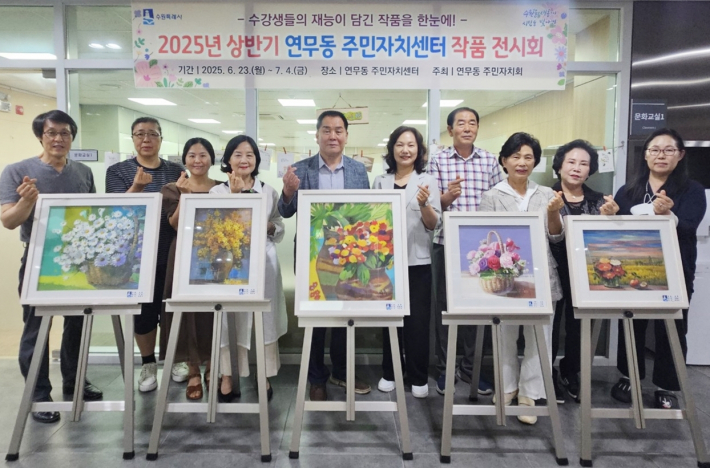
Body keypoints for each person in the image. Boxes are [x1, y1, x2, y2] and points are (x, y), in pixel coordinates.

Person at [0, 110, 103, 423]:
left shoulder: (83, 172)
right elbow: (8, 221)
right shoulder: (17, 171)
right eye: (52, 133)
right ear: (40, 136)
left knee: (78, 324)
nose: (59, 139)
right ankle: (39, 394)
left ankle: (74, 380)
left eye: (65, 133)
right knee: (37, 327)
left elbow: (91, 214)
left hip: (78, 260)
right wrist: (26, 202)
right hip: (38, 259)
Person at [278, 110, 371, 401]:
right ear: (317, 135)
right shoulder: (300, 169)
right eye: (327, 130)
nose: (333, 136)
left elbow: (365, 213)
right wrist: (288, 192)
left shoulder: (358, 171)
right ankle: (316, 377)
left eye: (338, 130)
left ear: (346, 136)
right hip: (312, 255)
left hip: (349, 255)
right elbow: (285, 211)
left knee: (346, 314)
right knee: (314, 316)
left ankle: (342, 371)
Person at [611, 128, 706, 410]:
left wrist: (668, 215)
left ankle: (667, 386)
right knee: (631, 323)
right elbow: (618, 231)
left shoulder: (692, 190)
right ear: (645, 155)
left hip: (675, 270)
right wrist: (610, 216)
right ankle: (629, 377)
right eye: (654, 150)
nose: (660, 155)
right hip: (633, 270)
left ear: (680, 155)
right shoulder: (628, 191)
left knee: (672, 327)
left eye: (668, 150)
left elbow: (689, 227)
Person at [478, 132, 564, 425]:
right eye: (515, 156)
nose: (522, 162)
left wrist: (554, 214)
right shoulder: (491, 196)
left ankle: (530, 393)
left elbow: (556, 236)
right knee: (505, 334)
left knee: (540, 337)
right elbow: (485, 240)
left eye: (528, 157)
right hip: (505, 278)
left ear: (536, 162)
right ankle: (506, 387)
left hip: (542, 276)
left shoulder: (547, 194)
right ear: (504, 161)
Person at [429, 106, 505, 396]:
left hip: (481, 249)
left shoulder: (489, 160)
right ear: (450, 130)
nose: (467, 127)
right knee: (444, 308)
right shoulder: (438, 161)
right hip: (445, 242)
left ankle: (472, 368)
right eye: (460, 123)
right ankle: (446, 368)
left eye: (472, 123)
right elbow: (430, 206)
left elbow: (499, 200)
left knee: (477, 308)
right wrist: (447, 197)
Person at [105, 117, 184, 393]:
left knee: (171, 309)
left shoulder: (176, 170)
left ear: (161, 138)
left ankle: (175, 358)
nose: (146, 139)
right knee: (144, 314)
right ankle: (148, 363)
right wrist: (137, 187)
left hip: (171, 251)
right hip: (135, 257)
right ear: (133, 139)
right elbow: (116, 213)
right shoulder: (118, 171)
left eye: (152, 134)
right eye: (140, 134)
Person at [210, 135, 287, 402]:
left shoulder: (268, 191)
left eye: (250, 155)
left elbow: (279, 226)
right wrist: (235, 197)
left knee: (265, 319)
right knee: (228, 319)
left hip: (264, 263)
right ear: (228, 160)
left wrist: (270, 226)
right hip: (230, 267)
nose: (244, 160)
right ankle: (227, 374)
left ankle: (263, 373)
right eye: (238, 154)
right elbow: (215, 230)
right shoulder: (217, 192)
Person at [372, 126, 441, 398]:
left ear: (419, 150)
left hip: (417, 262)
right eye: (400, 144)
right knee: (389, 318)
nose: (405, 150)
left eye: (411, 145)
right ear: (392, 149)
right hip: (385, 264)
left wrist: (424, 205)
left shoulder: (428, 181)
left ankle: (418, 375)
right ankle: (390, 371)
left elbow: (433, 225)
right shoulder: (380, 181)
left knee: (418, 322)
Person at [549, 140, 619, 403]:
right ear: (559, 166)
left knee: (580, 325)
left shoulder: (600, 200)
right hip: (552, 269)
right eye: (571, 162)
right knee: (550, 324)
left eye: (583, 164)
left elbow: (606, 242)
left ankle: (571, 371)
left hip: (587, 274)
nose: (576, 168)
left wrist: (611, 218)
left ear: (590, 170)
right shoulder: (545, 197)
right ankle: (547, 372)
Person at [159, 138, 222, 400]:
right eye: (192, 155)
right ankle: (193, 370)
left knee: (213, 310)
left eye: (203, 155)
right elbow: (175, 224)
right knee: (187, 312)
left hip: (217, 253)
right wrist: (185, 197)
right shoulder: (172, 188)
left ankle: (213, 366)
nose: (198, 160)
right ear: (184, 159)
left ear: (212, 159)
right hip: (184, 253)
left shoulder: (222, 187)